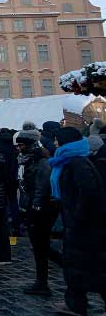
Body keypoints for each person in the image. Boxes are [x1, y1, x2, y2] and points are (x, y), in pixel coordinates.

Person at [49, 126, 106, 315]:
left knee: (88, 267)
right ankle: (75, 302)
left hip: (84, 227)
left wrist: (77, 217)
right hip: (80, 225)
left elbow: (89, 193)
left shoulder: (77, 163)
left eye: (57, 140)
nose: (55, 143)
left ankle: (76, 304)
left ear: (65, 142)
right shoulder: (70, 161)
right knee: (79, 268)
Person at [14, 125, 57, 296]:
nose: (19, 149)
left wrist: (35, 206)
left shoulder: (41, 162)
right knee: (39, 247)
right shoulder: (28, 160)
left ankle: (47, 278)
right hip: (31, 207)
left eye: (22, 146)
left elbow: (42, 186)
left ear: (30, 145)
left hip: (40, 210)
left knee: (42, 247)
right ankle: (41, 281)